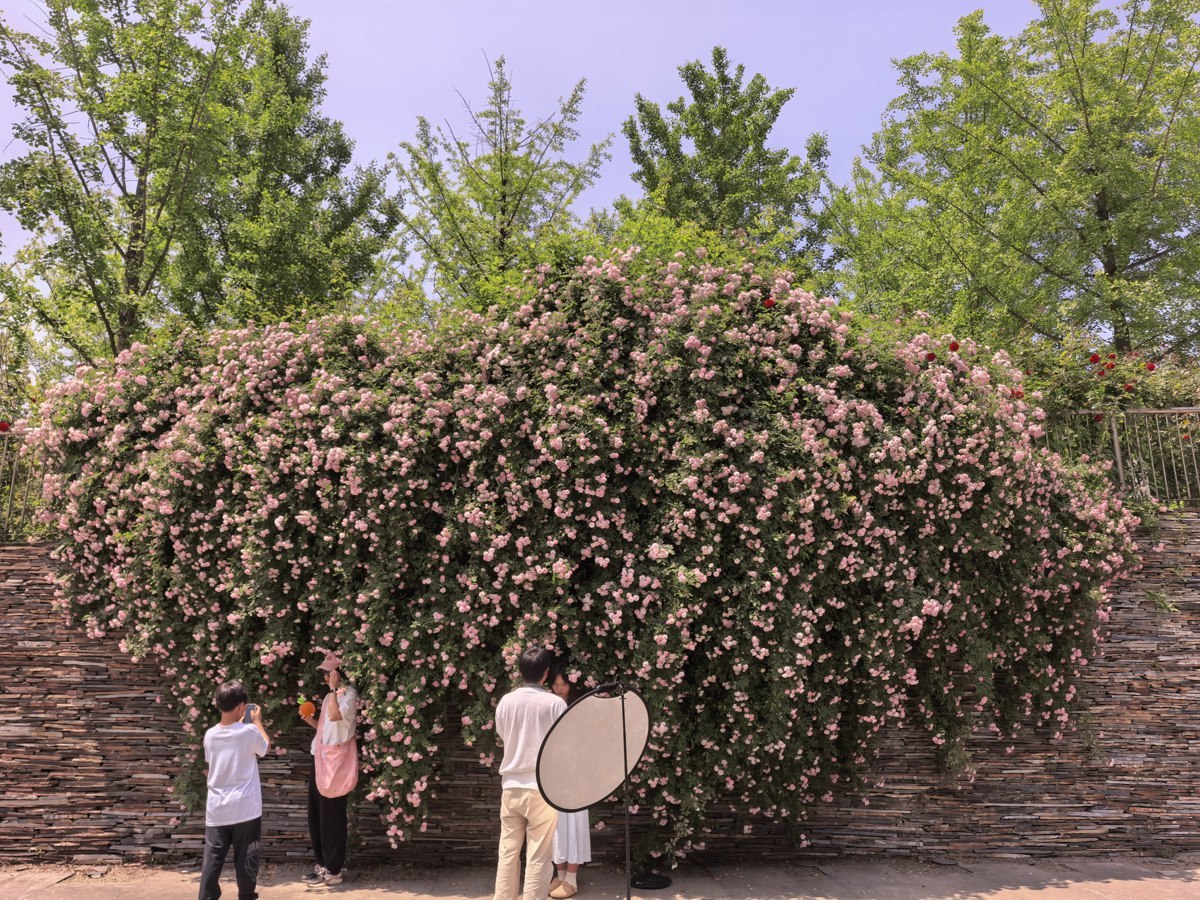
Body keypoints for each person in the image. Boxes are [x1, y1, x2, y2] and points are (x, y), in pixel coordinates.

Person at [493, 646, 567, 900]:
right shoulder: (555, 703)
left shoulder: (506, 702)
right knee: (538, 856)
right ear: (546, 673)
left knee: (508, 853)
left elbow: (504, 736)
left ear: (520, 671)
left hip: (511, 785)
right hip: (542, 788)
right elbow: (562, 744)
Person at [198, 681, 270, 900]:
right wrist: (257, 723)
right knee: (247, 858)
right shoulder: (248, 731)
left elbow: (215, 761)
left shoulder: (210, 735)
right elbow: (264, 747)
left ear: (219, 705)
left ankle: (206, 897)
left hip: (217, 809)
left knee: (212, 860)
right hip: (245, 808)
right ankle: (246, 896)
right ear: (241, 706)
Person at [299, 651, 359, 887]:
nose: (325, 678)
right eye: (324, 674)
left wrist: (334, 690)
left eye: (328, 673)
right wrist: (312, 721)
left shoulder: (348, 696)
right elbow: (326, 726)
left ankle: (334, 870)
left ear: (339, 674)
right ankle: (323, 864)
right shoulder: (328, 697)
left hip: (336, 763)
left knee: (332, 816)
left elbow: (336, 717)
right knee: (316, 815)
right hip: (320, 758)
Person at [548, 666, 591, 899]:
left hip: (576, 772)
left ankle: (572, 877)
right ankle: (560, 873)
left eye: (563, 684)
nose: (559, 689)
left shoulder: (579, 708)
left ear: (571, 684)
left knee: (574, 820)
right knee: (556, 822)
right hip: (554, 772)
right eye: (555, 684)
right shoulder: (548, 706)